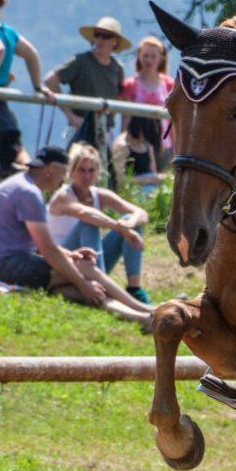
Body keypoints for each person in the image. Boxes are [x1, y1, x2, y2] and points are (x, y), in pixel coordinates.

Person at [0, 144, 152, 326]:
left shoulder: (18, 183)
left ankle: (142, 318)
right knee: (84, 269)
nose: (63, 179)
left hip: (7, 265)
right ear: (51, 169)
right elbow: (48, 249)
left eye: (91, 170)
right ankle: (145, 308)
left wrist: (69, 254)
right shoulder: (29, 193)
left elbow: (34, 242)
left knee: (67, 289)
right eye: (64, 172)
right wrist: (83, 284)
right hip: (9, 266)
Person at [48, 142, 151, 303]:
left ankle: (134, 289)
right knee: (89, 222)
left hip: (89, 262)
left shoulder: (100, 195)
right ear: (71, 171)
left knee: (130, 220)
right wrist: (120, 228)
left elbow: (141, 213)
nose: (87, 176)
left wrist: (129, 224)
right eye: (81, 170)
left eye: (91, 170)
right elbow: (84, 213)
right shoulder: (63, 196)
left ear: (98, 172)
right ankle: (103, 286)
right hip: (63, 264)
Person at [44, 16, 130, 169]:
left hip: (105, 131)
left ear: (114, 41)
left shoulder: (117, 68)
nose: (100, 40)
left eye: (105, 36)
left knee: (105, 174)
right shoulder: (80, 61)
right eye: (97, 35)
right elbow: (51, 80)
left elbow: (121, 98)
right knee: (74, 170)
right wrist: (70, 115)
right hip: (79, 129)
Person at [0, 0, 54, 176]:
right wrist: (38, 85)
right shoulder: (8, 32)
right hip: (2, 108)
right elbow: (31, 54)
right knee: (6, 165)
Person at [120, 35, 174, 166]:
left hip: (165, 143)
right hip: (137, 144)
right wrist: (122, 143)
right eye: (145, 55)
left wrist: (177, 147)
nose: (149, 60)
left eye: (153, 56)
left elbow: (173, 120)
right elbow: (125, 118)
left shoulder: (169, 84)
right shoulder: (130, 85)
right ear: (139, 56)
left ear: (161, 58)